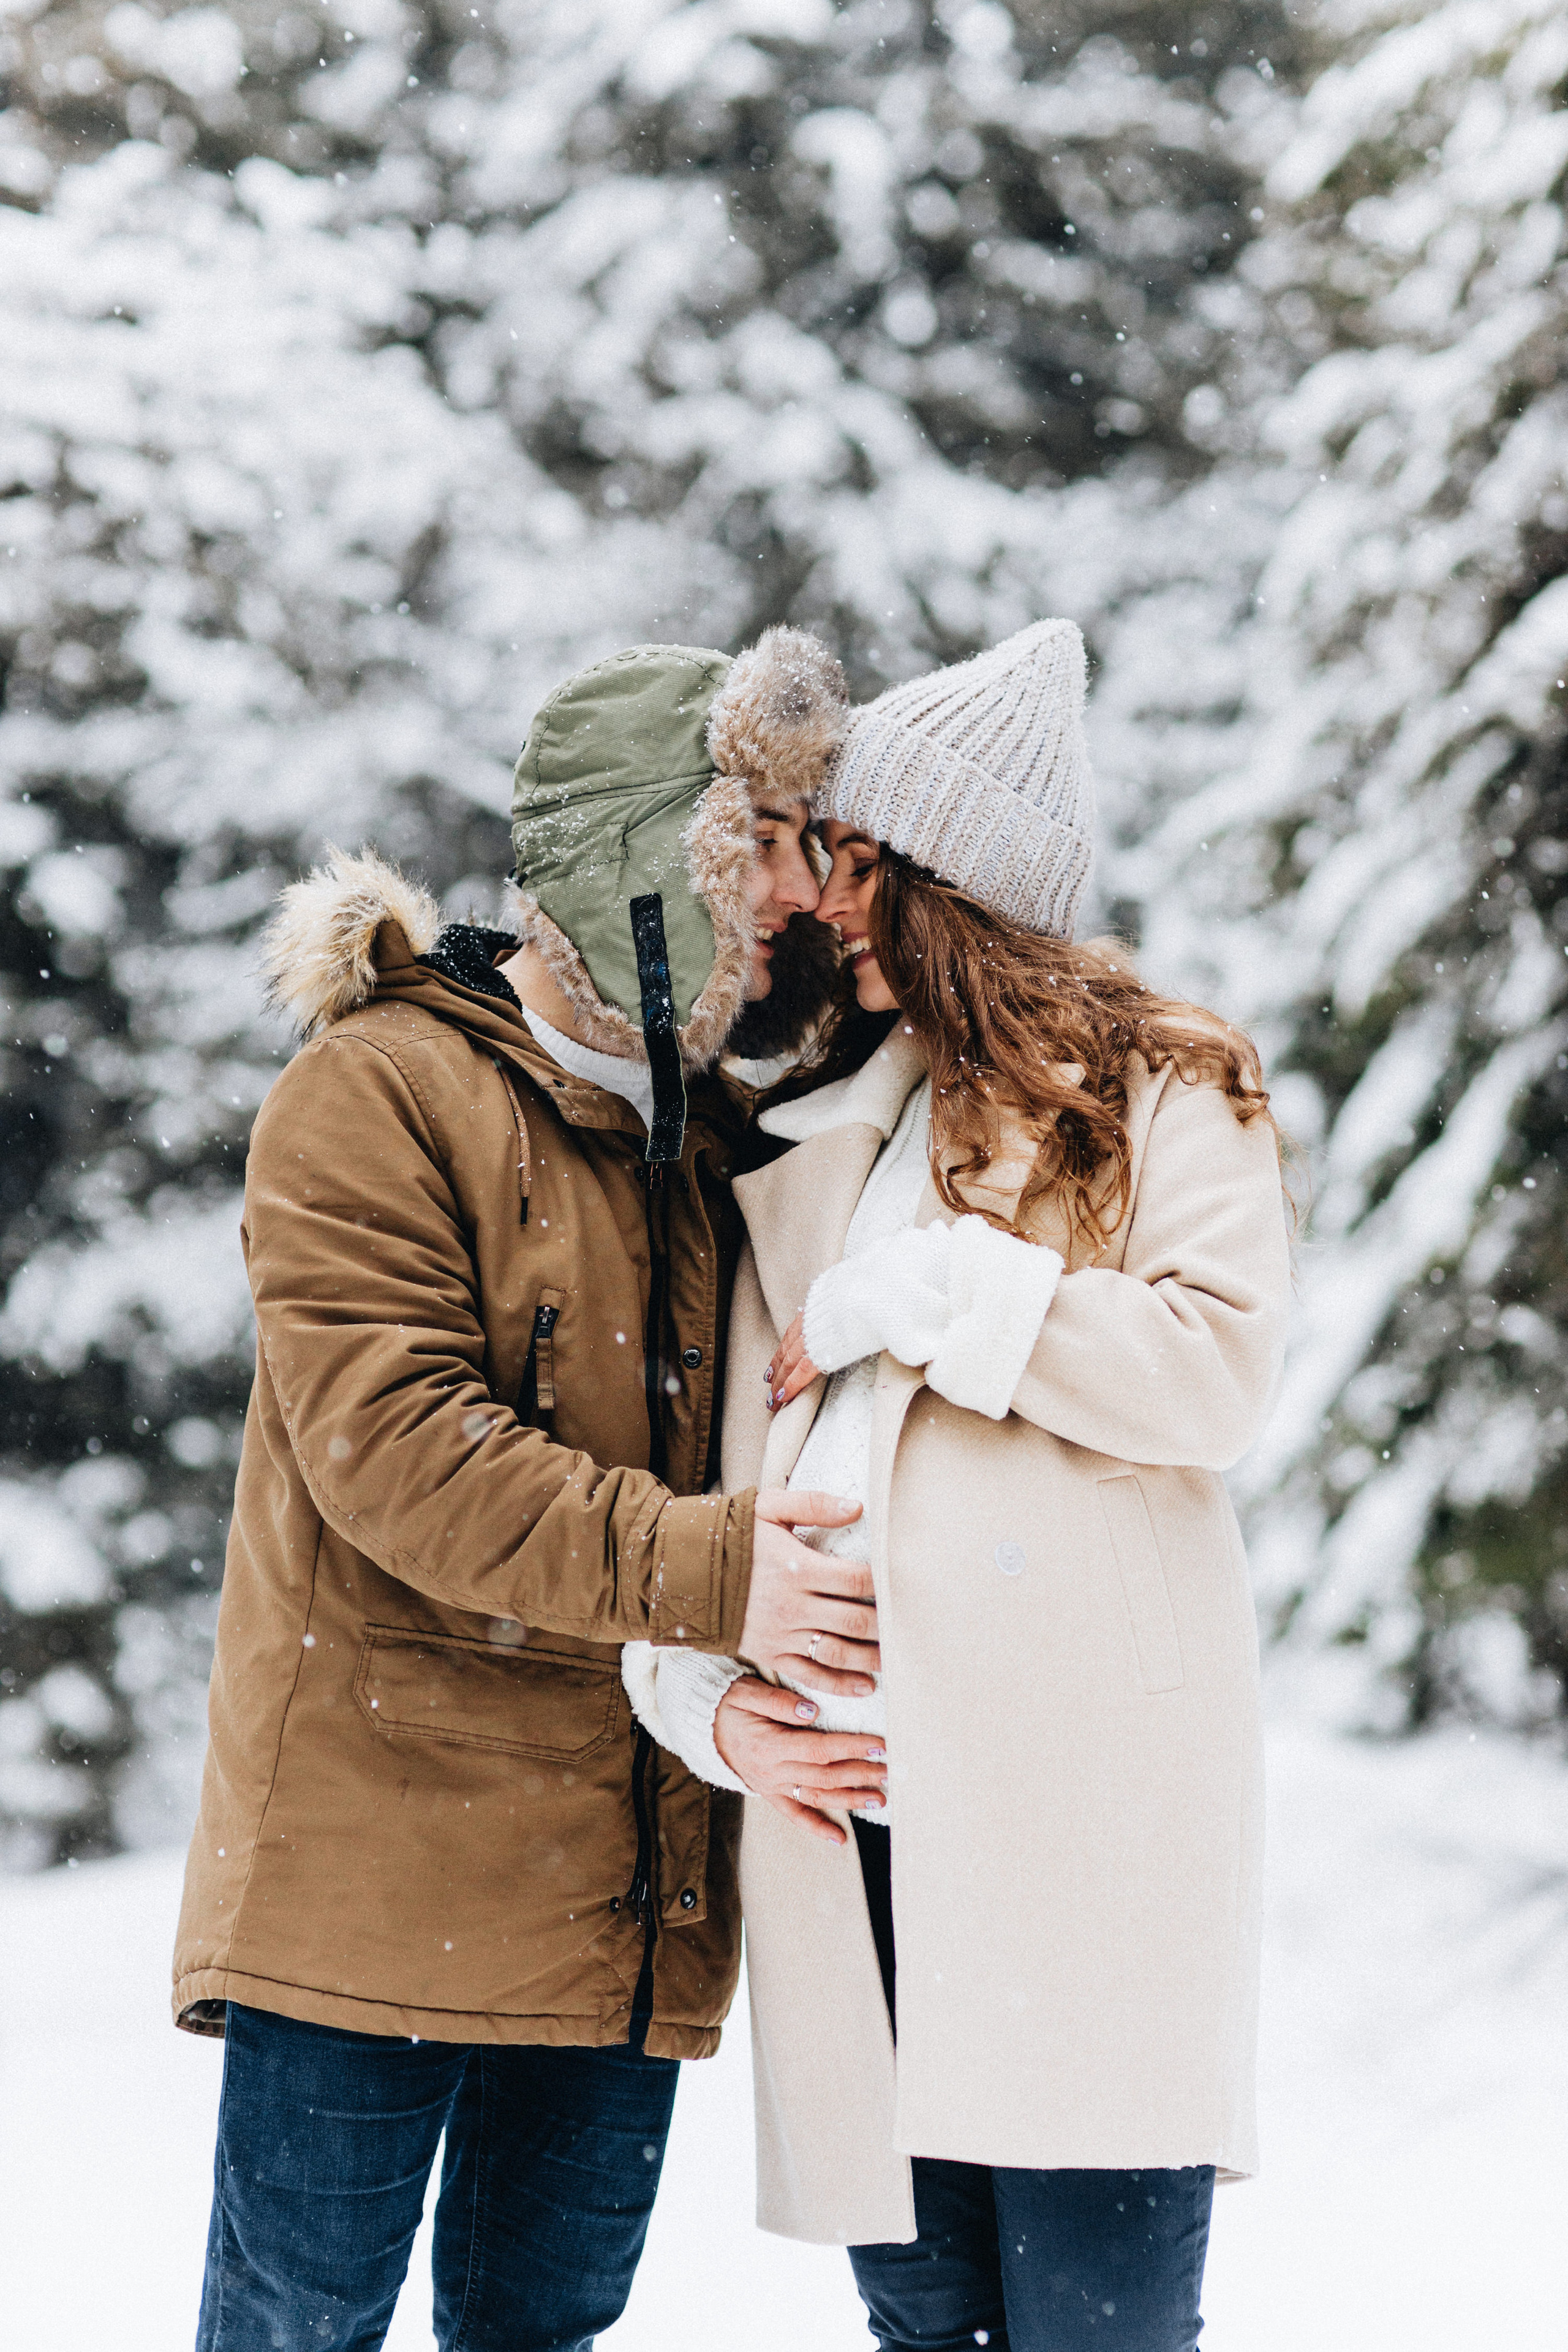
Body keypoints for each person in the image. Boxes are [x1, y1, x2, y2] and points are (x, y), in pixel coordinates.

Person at [173, 627, 883, 2352]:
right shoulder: (376, 1093)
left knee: (545, 2331)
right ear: (647, 859)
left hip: (620, 1893)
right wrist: (722, 1573)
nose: (797, 891)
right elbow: (400, 1454)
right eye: (758, 842)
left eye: (810, 843)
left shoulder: (734, 1144)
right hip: (372, 1875)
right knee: (298, 2331)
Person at [625, 619, 1293, 2352]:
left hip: (1079, 1848)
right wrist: (712, 1707)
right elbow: (722, 1486)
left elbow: (1213, 1370)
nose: (826, 904)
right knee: (926, 2333)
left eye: (860, 864)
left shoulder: (1169, 1087)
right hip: (860, 1846)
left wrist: (939, 1293)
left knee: (1094, 2332)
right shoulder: (817, 1135)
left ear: (954, 883)